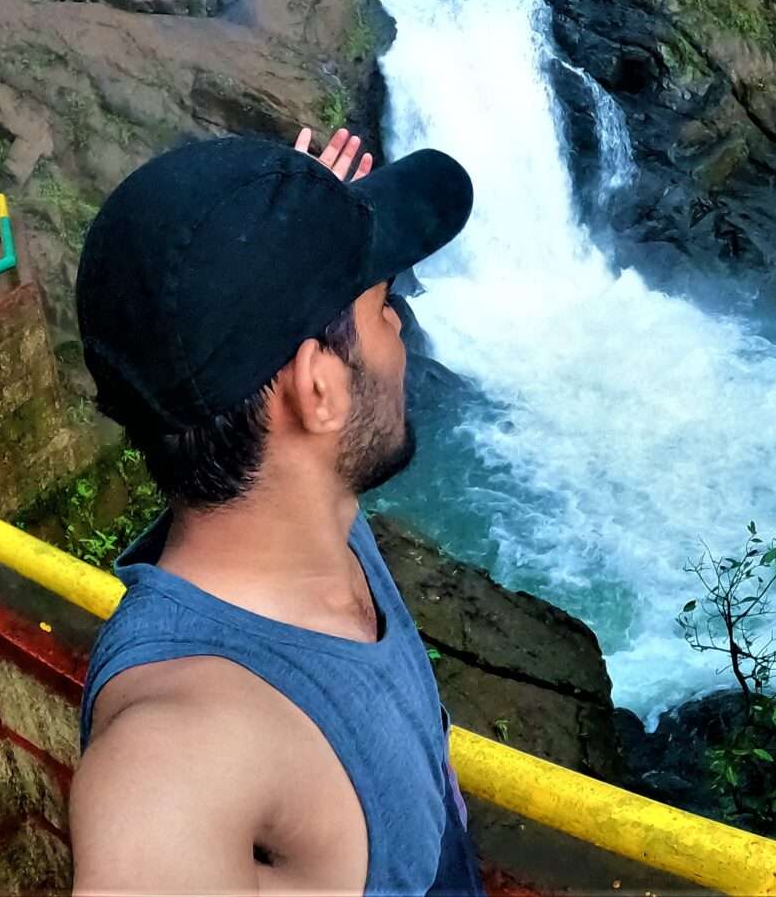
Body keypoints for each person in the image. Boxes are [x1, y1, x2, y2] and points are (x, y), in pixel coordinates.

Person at [67, 125, 485, 896]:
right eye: (383, 305)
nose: (399, 327)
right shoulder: (187, 733)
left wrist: (284, 232)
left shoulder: (312, 516)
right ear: (318, 389)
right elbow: (152, 815)